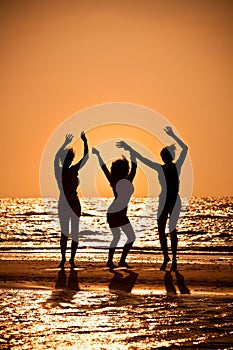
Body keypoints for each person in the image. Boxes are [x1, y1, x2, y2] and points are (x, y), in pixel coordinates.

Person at [117, 126, 188, 271]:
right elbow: (143, 159)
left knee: (171, 230)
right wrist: (129, 148)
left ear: (168, 157)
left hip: (174, 200)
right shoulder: (161, 167)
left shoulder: (175, 166)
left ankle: (173, 259)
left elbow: (185, 148)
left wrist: (173, 135)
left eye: (165, 156)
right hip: (164, 201)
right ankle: (167, 257)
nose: (164, 158)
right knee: (162, 230)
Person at [92, 147, 137, 269]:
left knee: (123, 237)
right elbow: (104, 169)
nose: (126, 171)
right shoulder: (118, 181)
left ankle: (116, 261)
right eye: (124, 169)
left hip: (117, 213)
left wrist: (132, 154)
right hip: (115, 213)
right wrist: (98, 155)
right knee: (127, 237)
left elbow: (134, 168)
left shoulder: (122, 180)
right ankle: (116, 261)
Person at [54, 132, 89, 268]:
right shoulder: (59, 171)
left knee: (74, 232)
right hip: (65, 203)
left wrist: (85, 142)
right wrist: (63, 144)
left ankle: (71, 259)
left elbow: (86, 157)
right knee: (64, 232)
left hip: (73, 203)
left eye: (68, 159)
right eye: (65, 159)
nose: (67, 161)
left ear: (71, 160)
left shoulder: (74, 169)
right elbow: (55, 158)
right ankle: (63, 259)